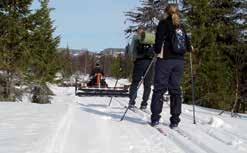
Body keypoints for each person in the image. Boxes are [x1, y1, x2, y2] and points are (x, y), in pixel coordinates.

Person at [150, 4, 192, 128]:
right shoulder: (181, 25)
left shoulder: (163, 24)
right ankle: (175, 120)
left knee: (159, 89)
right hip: (179, 61)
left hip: (165, 60)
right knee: (175, 90)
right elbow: (188, 44)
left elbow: (158, 42)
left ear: (166, 12)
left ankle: (155, 118)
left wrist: (156, 50)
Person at [128, 26, 155, 110]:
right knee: (147, 84)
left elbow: (132, 50)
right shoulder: (151, 38)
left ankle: (132, 102)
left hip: (139, 62)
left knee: (135, 82)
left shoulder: (136, 38)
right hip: (150, 63)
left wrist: (132, 58)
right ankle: (144, 104)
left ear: (138, 31)